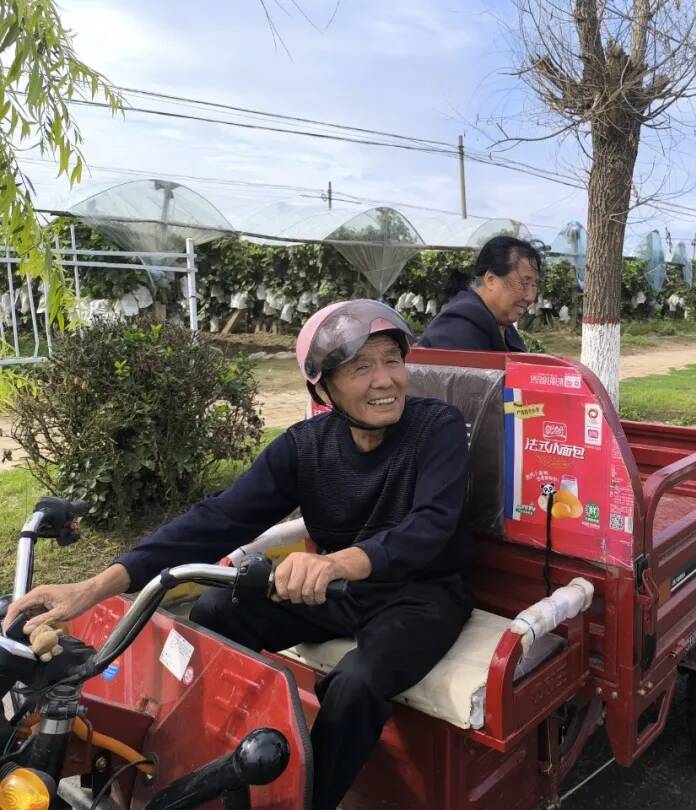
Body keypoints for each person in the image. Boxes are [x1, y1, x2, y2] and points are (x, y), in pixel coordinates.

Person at [5, 300, 473, 810]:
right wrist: (93, 587)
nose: (384, 380)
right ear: (323, 388)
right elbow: (218, 518)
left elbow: (428, 528)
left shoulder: (438, 427)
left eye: (392, 360)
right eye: (361, 367)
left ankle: (307, 801)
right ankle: (223, 757)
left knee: (356, 685)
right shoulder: (305, 447)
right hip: (340, 590)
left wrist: (335, 562)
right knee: (215, 612)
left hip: (421, 595)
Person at [417, 235, 541, 351]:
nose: (530, 297)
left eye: (534, 285)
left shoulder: (502, 327)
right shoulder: (459, 326)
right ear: (491, 280)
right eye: (524, 283)